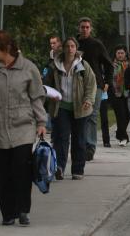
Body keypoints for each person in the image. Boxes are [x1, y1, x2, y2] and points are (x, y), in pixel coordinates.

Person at [0, 30, 47, 226]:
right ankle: (7, 213)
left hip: (23, 126)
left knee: (21, 170)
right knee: (3, 172)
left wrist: (41, 122)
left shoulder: (28, 68)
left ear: (6, 48)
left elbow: (36, 97)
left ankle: (23, 210)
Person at [44, 37, 97, 180]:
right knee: (61, 138)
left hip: (80, 107)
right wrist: (48, 97)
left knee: (79, 139)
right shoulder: (55, 65)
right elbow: (46, 85)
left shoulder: (83, 65)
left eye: (72, 46)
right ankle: (59, 167)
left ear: (76, 48)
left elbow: (91, 85)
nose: (70, 49)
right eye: (67, 46)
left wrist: (88, 100)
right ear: (63, 48)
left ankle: (77, 169)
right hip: (61, 106)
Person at [76, 17, 113, 161]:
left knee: (92, 115)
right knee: (80, 115)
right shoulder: (74, 44)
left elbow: (109, 64)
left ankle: (90, 147)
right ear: (79, 28)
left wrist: (108, 82)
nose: (84, 29)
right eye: (82, 27)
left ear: (90, 29)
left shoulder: (96, 44)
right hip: (78, 84)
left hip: (96, 84)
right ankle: (80, 145)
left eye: (87, 27)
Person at [110, 45, 130, 146]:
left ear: (125, 54)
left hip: (128, 93)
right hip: (116, 94)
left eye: (122, 53)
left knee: (128, 115)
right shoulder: (111, 65)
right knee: (120, 116)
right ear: (115, 54)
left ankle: (119, 133)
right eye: (118, 53)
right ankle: (124, 138)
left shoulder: (129, 65)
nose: (120, 55)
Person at [42, 35, 62, 134]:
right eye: (51, 43)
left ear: (59, 43)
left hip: (61, 89)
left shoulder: (63, 57)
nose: (52, 45)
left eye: (54, 43)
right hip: (51, 90)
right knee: (51, 111)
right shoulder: (49, 59)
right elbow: (46, 74)